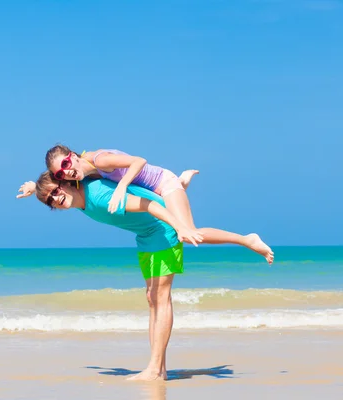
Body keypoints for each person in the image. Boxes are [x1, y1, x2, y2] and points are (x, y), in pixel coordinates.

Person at [32, 172, 190, 381]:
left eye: (55, 191)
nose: (56, 198)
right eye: (50, 200)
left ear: (66, 183)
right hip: (146, 236)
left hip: (163, 229)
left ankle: (155, 369)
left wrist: (180, 226)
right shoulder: (79, 199)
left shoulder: (97, 195)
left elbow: (148, 205)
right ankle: (159, 368)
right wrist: (35, 188)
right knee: (152, 299)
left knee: (161, 297)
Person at [18, 144, 274, 264]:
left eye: (66, 165)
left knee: (187, 233)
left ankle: (246, 239)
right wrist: (34, 188)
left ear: (73, 156)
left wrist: (120, 187)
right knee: (173, 215)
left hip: (162, 183)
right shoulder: (80, 172)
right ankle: (183, 184)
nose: (66, 173)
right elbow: (52, 184)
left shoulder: (101, 160)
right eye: (60, 174)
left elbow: (139, 160)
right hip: (149, 189)